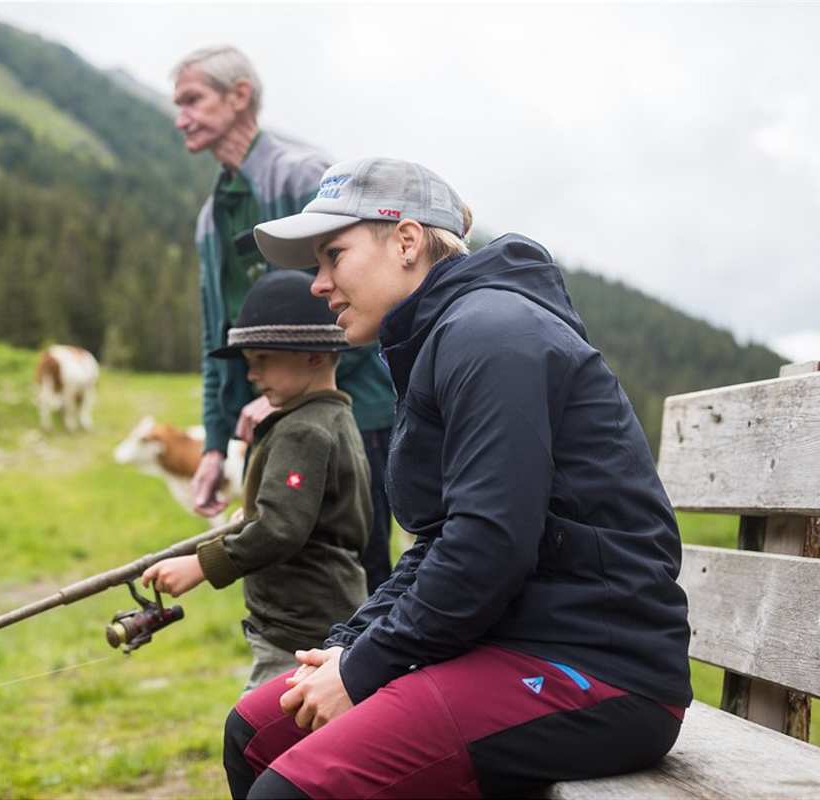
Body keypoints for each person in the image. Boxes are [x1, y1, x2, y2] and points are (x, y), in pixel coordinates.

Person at [219, 157, 693, 799]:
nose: (319, 284)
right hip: (507, 640)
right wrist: (349, 647)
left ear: (407, 242)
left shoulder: (491, 336)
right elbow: (442, 541)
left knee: (293, 789)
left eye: (333, 256)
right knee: (257, 729)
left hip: (596, 666)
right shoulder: (439, 339)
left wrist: (365, 670)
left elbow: (489, 546)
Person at [171, 46, 397, 593]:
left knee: (357, 570)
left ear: (240, 95)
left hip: (355, 414)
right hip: (274, 412)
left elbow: (365, 297)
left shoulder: (305, 177)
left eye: (193, 100)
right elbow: (215, 334)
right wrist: (214, 446)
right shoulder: (212, 217)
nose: (180, 117)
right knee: (287, 563)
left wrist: (294, 390)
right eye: (177, 104)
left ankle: (371, 675)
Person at [142, 270, 371, 692]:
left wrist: (200, 564)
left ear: (314, 356)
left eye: (263, 359)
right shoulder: (335, 417)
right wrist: (255, 513)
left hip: (300, 633)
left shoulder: (304, 430)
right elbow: (302, 513)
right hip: (318, 616)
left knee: (259, 740)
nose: (252, 375)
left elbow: (280, 529)